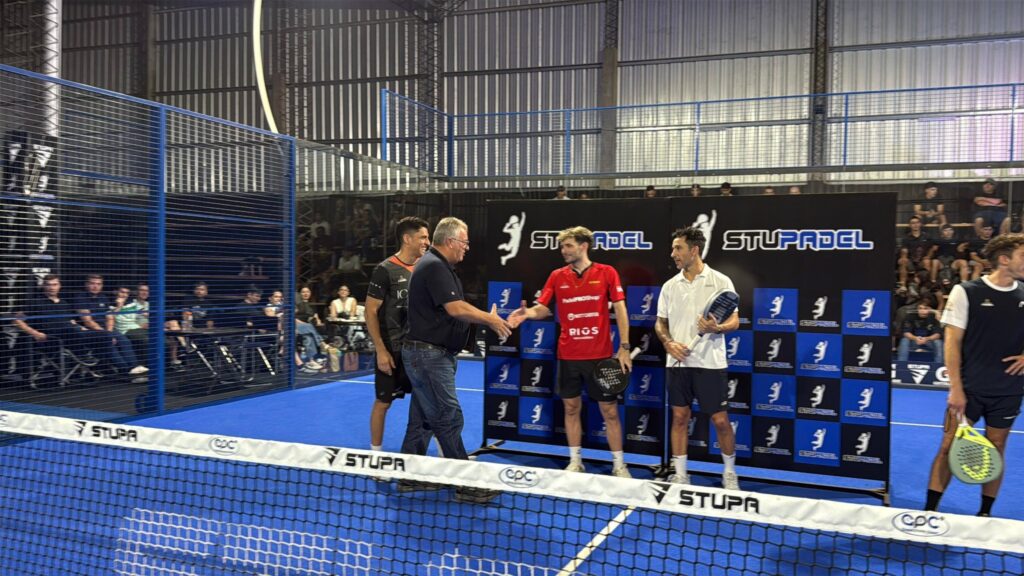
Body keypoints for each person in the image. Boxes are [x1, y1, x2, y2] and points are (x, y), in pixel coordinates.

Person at [508, 226, 634, 478]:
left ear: (583, 246)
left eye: (568, 246)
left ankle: (619, 465)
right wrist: (528, 313)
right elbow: (543, 308)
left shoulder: (607, 272)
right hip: (568, 356)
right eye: (562, 246)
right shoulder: (557, 276)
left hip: (599, 357)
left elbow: (620, 309)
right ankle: (576, 461)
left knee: (610, 412)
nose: (563, 251)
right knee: (571, 409)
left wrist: (624, 347)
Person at [400, 217, 511, 502]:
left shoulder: (436, 265)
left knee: (423, 419)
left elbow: (453, 309)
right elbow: (456, 308)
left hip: (426, 354)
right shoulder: (435, 266)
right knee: (448, 416)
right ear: (450, 241)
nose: (467, 247)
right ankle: (466, 483)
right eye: (465, 242)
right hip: (428, 356)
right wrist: (490, 319)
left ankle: (409, 476)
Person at [924, 233, 1024, 517]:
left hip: (1009, 391)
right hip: (968, 391)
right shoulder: (966, 291)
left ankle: (985, 515)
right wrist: (956, 389)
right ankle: (929, 513)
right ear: (1004, 260)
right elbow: (952, 342)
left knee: (997, 448)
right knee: (948, 446)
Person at [653, 227, 741, 490]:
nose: (673, 254)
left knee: (721, 421)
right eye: (673, 248)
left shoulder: (721, 281)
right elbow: (660, 323)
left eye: (678, 248)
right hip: (678, 363)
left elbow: (734, 321)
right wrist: (668, 343)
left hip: (710, 364)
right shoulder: (670, 286)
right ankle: (681, 474)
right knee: (680, 418)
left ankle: (729, 473)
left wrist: (717, 328)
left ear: (694, 250)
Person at [365, 216, 431, 452]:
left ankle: (446, 454)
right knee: (383, 403)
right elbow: (370, 311)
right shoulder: (385, 270)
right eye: (423, 237)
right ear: (407, 238)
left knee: (431, 404)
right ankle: (375, 456)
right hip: (392, 352)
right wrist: (381, 351)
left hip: (420, 351)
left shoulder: (427, 267)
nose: (427, 242)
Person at [75, 274, 146, 376]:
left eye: (98, 284)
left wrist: (109, 332)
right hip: (91, 331)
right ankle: (126, 371)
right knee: (109, 343)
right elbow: (88, 321)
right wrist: (106, 334)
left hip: (107, 329)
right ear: (86, 284)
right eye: (92, 283)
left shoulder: (103, 297)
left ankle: (134, 367)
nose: (95, 286)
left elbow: (110, 317)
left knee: (124, 341)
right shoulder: (81, 297)